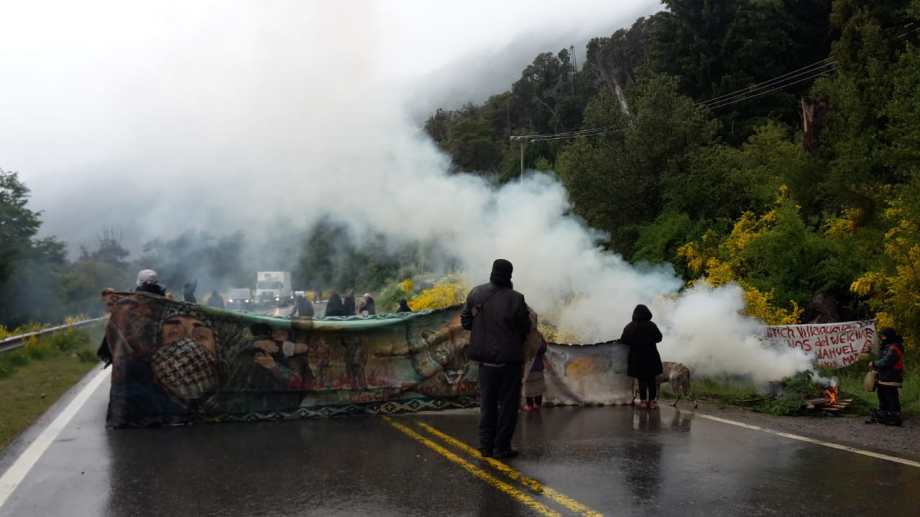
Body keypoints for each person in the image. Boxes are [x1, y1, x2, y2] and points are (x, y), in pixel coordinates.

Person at [461, 258, 531, 459]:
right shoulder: (516, 298)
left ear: (492, 272)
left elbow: (466, 321)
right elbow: (525, 327)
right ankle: (502, 447)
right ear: (509, 275)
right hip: (509, 361)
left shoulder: (476, 293)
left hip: (485, 361)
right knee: (508, 407)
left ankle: (485, 447)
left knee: (487, 405)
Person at [620, 304, 663, 410]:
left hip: (636, 358)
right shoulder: (651, 325)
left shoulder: (629, 326)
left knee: (641, 380)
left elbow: (624, 340)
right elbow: (659, 338)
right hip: (651, 356)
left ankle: (643, 402)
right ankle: (652, 402)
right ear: (647, 313)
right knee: (651, 380)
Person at [867, 328, 905, 426]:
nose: (882, 338)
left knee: (890, 395)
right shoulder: (888, 346)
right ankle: (884, 413)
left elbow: (886, 361)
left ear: (889, 336)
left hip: (892, 376)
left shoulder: (894, 348)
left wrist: (874, 364)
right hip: (885, 376)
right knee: (882, 393)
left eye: (884, 336)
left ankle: (894, 414)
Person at [523, 339, 547, 412]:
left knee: (529, 387)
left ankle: (530, 405)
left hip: (529, 368)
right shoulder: (539, 337)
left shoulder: (526, 336)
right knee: (538, 387)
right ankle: (537, 404)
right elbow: (543, 348)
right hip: (538, 366)